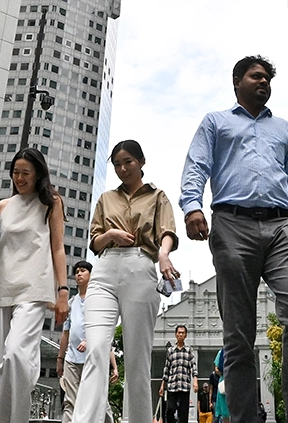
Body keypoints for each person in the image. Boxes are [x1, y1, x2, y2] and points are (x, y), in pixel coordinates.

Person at [180, 55, 288, 423]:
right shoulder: (216, 122)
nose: (264, 83)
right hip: (232, 225)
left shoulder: (285, 131)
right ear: (237, 81)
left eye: (267, 79)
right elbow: (197, 164)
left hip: (283, 227)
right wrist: (193, 204)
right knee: (238, 337)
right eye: (256, 76)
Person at [75, 139, 180, 423]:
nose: (122, 169)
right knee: (96, 347)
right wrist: (110, 236)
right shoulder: (106, 198)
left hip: (141, 266)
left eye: (128, 162)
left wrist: (164, 255)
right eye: (117, 164)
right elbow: (94, 240)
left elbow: (167, 231)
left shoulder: (157, 196)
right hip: (105, 269)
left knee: (137, 359)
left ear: (141, 162)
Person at [0, 148, 68, 423]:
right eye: (15, 173)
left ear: (38, 173)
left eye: (25, 173)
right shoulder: (2, 206)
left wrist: (63, 290)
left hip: (32, 289)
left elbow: (58, 249)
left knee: (17, 355)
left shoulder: (52, 202)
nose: (19, 178)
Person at [56, 261, 116, 423]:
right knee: (70, 401)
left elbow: (106, 332)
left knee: (98, 400)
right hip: (72, 359)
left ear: (91, 275)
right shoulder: (71, 303)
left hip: (93, 358)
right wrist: (60, 359)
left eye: (83, 271)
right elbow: (65, 333)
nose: (79, 274)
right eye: (76, 272)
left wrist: (89, 341)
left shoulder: (98, 300)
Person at [160, 325, 197, 423]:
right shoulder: (170, 351)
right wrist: (162, 386)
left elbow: (193, 367)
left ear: (185, 335)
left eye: (183, 333)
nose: (180, 334)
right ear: (175, 334)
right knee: (170, 410)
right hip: (172, 385)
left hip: (184, 386)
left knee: (183, 413)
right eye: (179, 332)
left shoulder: (189, 350)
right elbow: (166, 369)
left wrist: (195, 381)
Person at [213, 349, 229, 423]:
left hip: (235, 381)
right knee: (224, 411)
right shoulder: (221, 352)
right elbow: (216, 369)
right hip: (224, 383)